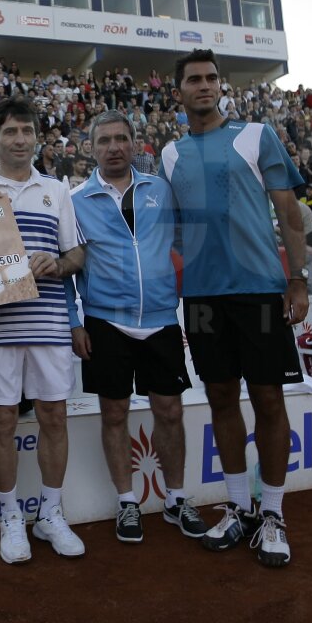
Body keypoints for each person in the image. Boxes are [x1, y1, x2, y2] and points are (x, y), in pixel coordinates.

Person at [160, 49, 308, 568]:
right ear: (178, 91)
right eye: (194, 79)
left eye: (211, 78)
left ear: (220, 85)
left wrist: (298, 279)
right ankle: (240, 507)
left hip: (260, 290)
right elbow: (174, 227)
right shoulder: (170, 154)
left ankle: (274, 514)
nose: (204, 85)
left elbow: (290, 212)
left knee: (268, 398)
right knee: (221, 397)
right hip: (202, 297)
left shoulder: (257, 136)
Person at [0, 97, 86, 565]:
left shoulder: (56, 190)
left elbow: (76, 254)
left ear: (37, 137)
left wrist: (57, 263)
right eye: (10, 131)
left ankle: (50, 513)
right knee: (2, 421)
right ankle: (10, 515)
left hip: (48, 323)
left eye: (27, 131)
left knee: (54, 417)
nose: (20, 139)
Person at [69, 110, 204, 544]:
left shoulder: (160, 190)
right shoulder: (75, 200)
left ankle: (176, 497)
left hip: (161, 318)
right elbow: (68, 267)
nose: (114, 147)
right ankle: (127, 501)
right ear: (91, 148)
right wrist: (74, 321)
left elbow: (188, 241)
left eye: (121, 138)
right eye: (104, 140)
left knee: (170, 411)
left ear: (134, 143)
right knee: (114, 413)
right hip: (105, 320)